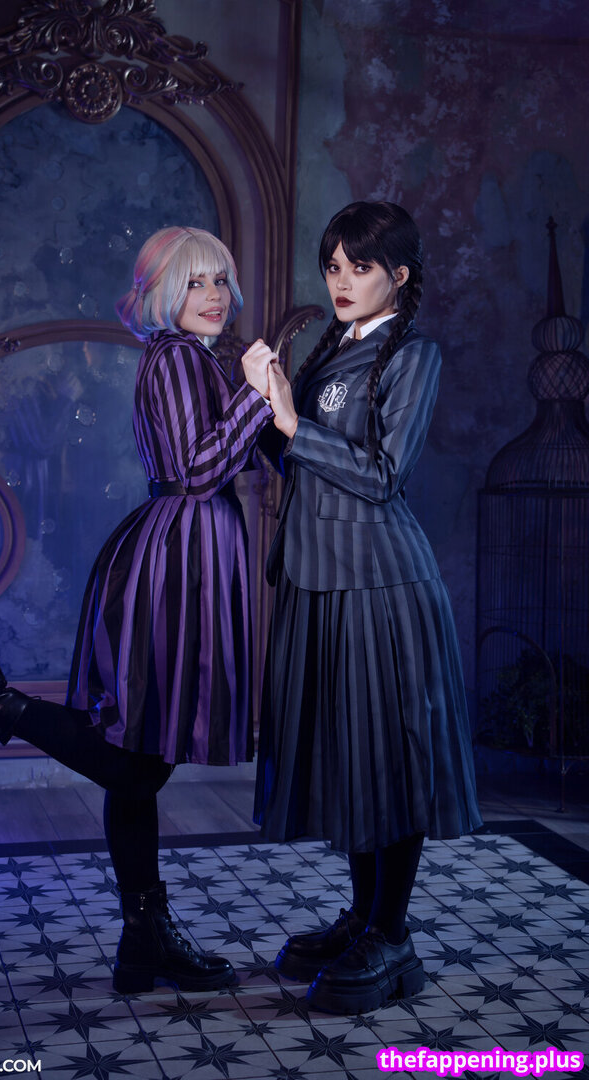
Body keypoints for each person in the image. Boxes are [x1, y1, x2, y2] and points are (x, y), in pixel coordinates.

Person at [0, 226, 276, 996]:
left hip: (190, 555)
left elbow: (235, 453)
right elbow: (197, 470)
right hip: (179, 564)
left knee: (138, 765)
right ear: (163, 291)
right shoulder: (174, 357)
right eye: (196, 281)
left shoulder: (192, 359)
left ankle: (143, 940)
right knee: (137, 760)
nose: (215, 295)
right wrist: (256, 395)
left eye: (221, 280)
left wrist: (267, 405)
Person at [253, 201, 482, 1014]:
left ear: (400, 275)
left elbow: (382, 475)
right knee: (349, 755)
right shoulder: (333, 350)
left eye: (360, 267)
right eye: (333, 267)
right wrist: (267, 409)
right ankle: (362, 916)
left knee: (389, 755)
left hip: (380, 582)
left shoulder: (414, 353)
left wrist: (290, 421)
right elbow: (304, 463)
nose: (341, 281)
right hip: (318, 577)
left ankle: (391, 932)